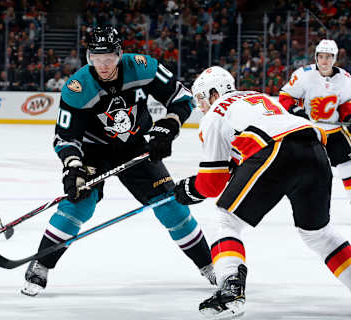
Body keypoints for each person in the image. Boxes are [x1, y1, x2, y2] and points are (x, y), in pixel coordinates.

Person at [21, 26, 215, 296]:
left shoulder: (143, 66)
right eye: (96, 59)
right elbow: (65, 138)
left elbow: (182, 98)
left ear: (119, 55)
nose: (102, 65)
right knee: (79, 205)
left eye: (108, 59)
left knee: (171, 205)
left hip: (135, 147)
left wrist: (168, 126)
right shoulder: (78, 88)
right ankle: (41, 264)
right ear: (88, 57)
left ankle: (209, 264)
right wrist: (73, 167)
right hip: (92, 152)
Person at [173, 66, 351, 319]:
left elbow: (213, 183)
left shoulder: (215, 113)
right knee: (319, 234)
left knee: (226, 219)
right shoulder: (257, 97)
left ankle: (231, 289)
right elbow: (239, 161)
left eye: (201, 99)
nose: (200, 107)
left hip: (277, 151)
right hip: (314, 149)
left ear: (214, 93)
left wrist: (189, 190)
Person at [279, 39, 351, 204]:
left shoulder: (345, 78)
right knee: (304, 169)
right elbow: (285, 96)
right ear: (316, 57)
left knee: (348, 166)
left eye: (328, 57)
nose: (324, 61)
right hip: (310, 131)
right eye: (321, 56)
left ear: (334, 58)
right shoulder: (303, 75)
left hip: (334, 132)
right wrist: (297, 112)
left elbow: (347, 103)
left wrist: (348, 117)